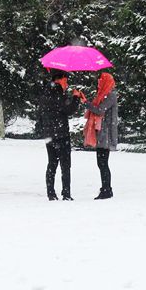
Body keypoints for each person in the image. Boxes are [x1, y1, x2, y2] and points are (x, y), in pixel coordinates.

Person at [37, 69, 86, 200]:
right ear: (59, 80)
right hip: (61, 135)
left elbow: (42, 114)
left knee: (52, 163)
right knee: (65, 165)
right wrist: (76, 97)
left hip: (49, 135)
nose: (67, 84)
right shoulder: (58, 93)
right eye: (66, 80)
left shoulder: (45, 93)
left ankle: (51, 193)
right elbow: (68, 110)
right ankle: (66, 193)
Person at [82, 71, 118, 199]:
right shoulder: (102, 95)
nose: (99, 84)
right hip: (101, 133)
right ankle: (105, 188)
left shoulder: (111, 96)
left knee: (103, 163)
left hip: (106, 134)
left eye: (101, 82)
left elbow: (99, 110)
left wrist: (86, 102)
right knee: (101, 162)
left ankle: (107, 189)